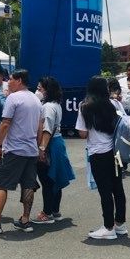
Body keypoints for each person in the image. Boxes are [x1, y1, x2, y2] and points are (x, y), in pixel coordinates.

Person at [0, 69, 42, 234]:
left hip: (15, 149)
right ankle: (25, 220)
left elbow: (5, 123)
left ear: (19, 80)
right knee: (28, 185)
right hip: (31, 151)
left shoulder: (13, 98)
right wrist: (38, 146)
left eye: (11, 79)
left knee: (2, 184)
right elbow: (40, 127)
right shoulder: (36, 99)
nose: (9, 81)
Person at [76, 76, 127, 240]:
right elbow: (124, 124)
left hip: (98, 153)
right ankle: (120, 224)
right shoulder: (115, 103)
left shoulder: (85, 106)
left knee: (105, 190)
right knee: (117, 188)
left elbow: (83, 133)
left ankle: (108, 227)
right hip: (116, 152)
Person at [31, 76, 74, 224]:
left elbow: (47, 130)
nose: (37, 91)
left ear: (47, 90)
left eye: (39, 89)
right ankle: (55, 211)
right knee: (55, 178)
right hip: (57, 143)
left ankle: (47, 213)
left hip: (49, 144)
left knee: (47, 180)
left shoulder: (47, 107)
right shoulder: (56, 105)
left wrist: (42, 149)